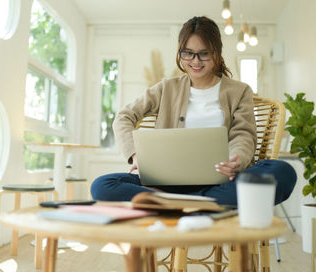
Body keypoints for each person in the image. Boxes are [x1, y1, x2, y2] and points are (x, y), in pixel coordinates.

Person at [90, 16, 296, 206]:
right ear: (180, 52)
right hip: (166, 182)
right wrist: (135, 155)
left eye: (204, 53)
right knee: (102, 186)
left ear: (217, 52)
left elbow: (243, 134)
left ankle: (174, 203)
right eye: (188, 53)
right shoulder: (166, 88)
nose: (195, 61)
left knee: (283, 172)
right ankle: (202, 203)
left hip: (222, 182)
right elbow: (124, 116)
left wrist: (236, 161)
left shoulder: (239, 91)